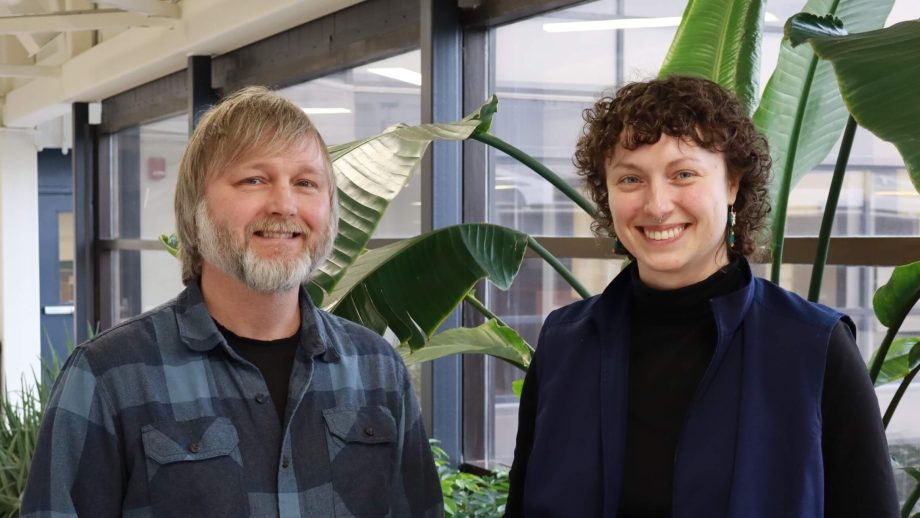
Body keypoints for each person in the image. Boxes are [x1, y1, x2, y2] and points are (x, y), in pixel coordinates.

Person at [22, 87, 443, 518]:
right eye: (254, 180)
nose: (285, 205)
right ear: (194, 208)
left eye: (306, 183)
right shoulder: (109, 377)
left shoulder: (378, 371)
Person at [505, 76, 898, 517]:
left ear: (732, 185)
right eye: (631, 178)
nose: (657, 205)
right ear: (607, 195)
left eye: (684, 174)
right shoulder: (564, 343)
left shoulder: (814, 347)